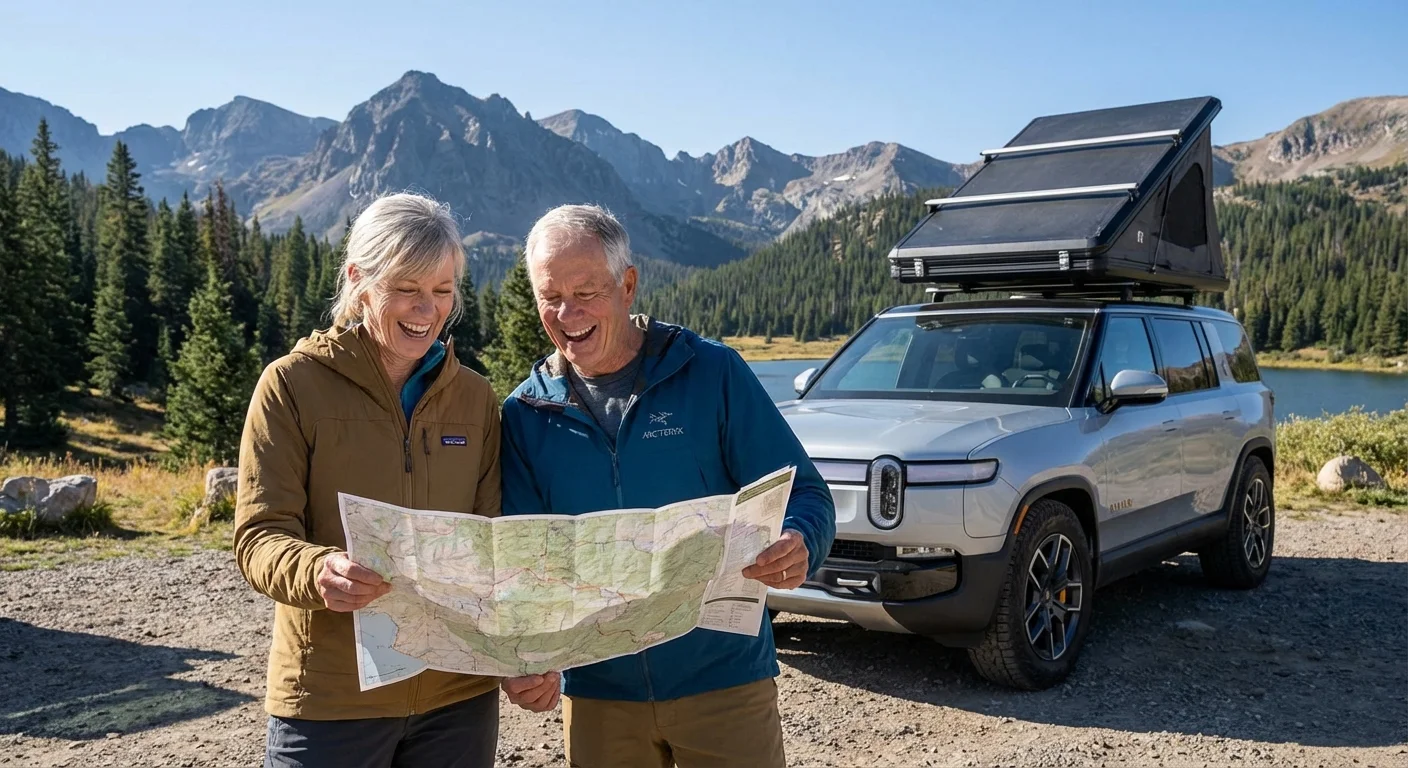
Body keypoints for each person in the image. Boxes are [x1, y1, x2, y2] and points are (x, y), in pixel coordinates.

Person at [497, 204, 836, 767]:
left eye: (587, 291)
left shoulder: (712, 373)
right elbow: (524, 558)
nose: (567, 312)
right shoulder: (526, 414)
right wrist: (523, 659)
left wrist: (801, 539)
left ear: (627, 285)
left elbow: (806, 494)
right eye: (550, 296)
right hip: (599, 696)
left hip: (722, 680)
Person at [234, 193, 503, 768]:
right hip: (331, 700)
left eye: (443, 291)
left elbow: (494, 542)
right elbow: (259, 538)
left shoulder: (476, 399)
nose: (426, 310)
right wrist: (317, 570)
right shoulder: (290, 386)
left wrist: (524, 654)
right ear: (359, 279)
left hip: (458, 696)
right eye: (407, 288)